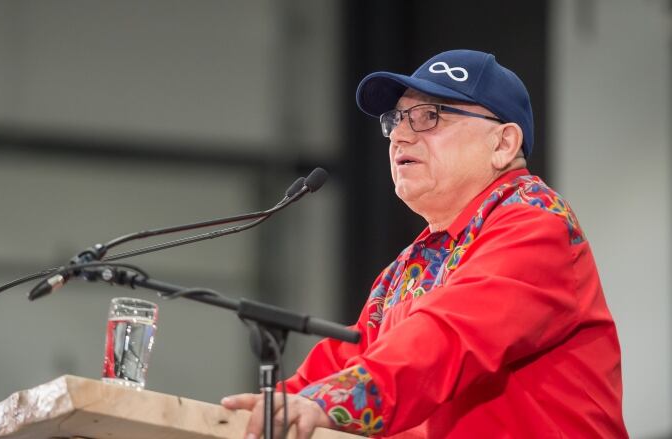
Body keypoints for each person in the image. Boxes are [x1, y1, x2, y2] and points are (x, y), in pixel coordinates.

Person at [221, 49, 628, 438]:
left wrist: (323, 402)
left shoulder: (536, 224)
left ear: (503, 144)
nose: (399, 135)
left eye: (429, 117)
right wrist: (270, 410)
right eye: (395, 120)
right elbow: (354, 354)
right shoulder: (410, 264)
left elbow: (448, 336)